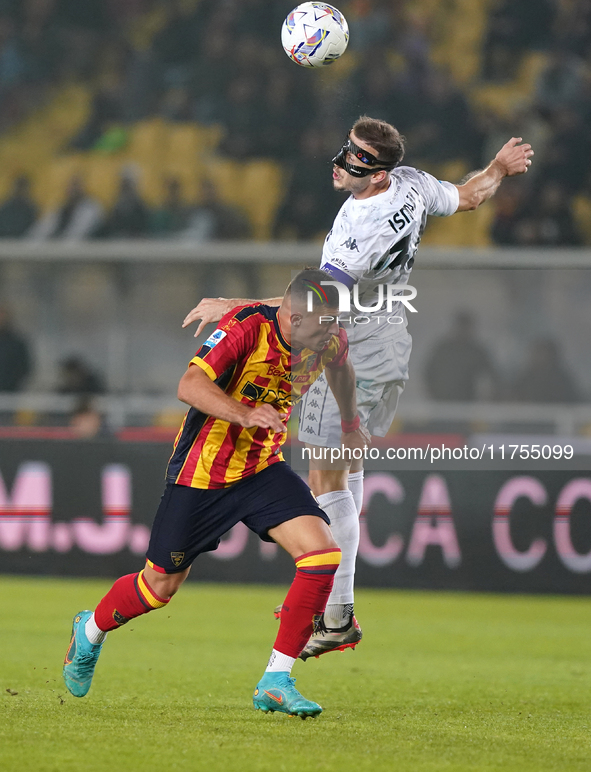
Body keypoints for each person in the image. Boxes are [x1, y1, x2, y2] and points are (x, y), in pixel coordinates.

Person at [183, 115, 534, 659]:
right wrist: (499, 168)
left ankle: (336, 613)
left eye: (355, 161)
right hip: (391, 340)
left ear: (375, 177)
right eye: (345, 150)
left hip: (352, 348)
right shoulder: (412, 183)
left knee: (324, 474)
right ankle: (338, 609)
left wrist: (231, 305)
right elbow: (468, 197)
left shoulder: (364, 227)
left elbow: (313, 304)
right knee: (349, 467)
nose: (341, 163)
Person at [63, 268, 369, 718]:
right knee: (158, 588)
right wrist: (244, 413)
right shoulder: (246, 328)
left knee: (323, 556)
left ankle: (276, 680)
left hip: (262, 468)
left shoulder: (328, 339)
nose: (332, 334)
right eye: (323, 324)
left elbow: (342, 371)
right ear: (292, 317)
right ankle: (89, 630)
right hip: (202, 474)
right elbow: (189, 385)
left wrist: (349, 424)